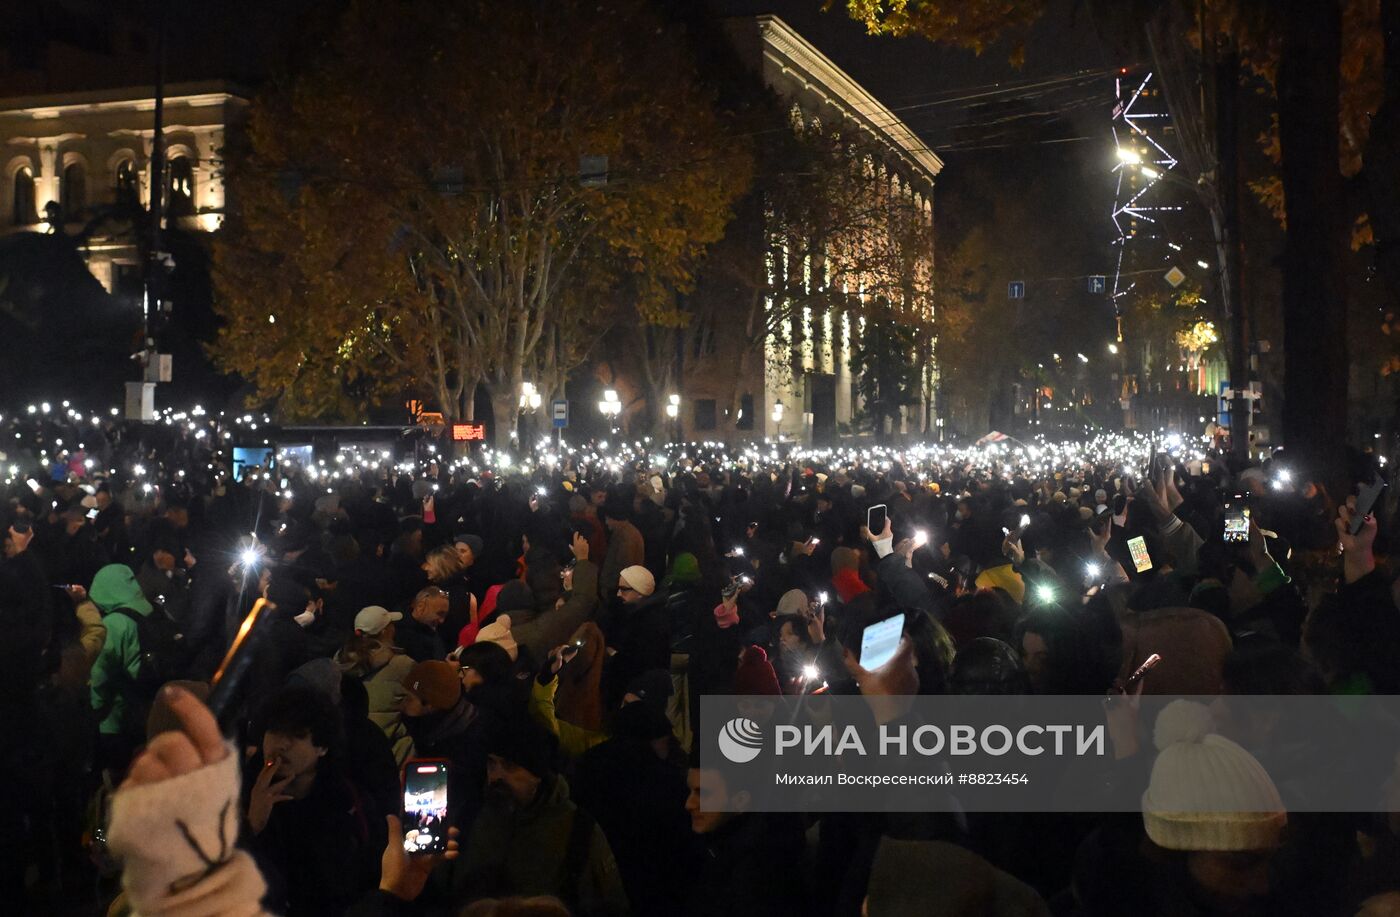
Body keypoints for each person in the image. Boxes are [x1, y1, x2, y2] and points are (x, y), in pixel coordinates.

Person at [446, 716, 628, 916]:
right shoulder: (469, 817)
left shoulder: (577, 829)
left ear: (537, 774)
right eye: (492, 763)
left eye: (510, 766)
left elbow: (610, 904)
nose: (496, 776)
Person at [244, 684, 384, 917]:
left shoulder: (349, 802)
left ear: (322, 747)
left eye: (297, 735)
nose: (281, 744)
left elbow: (368, 876)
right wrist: (252, 825)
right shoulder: (237, 794)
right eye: (274, 731)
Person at [683, 763, 807, 917]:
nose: (688, 804)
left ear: (740, 801)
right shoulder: (717, 844)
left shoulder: (758, 873)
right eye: (689, 791)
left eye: (702, 793)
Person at [335, 605, 415, 765]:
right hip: (391, 753)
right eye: (391, 625)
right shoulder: (402, 665)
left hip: (349, 751)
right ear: (386, 631)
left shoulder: (339, 660)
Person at [397, 586, 450, 662]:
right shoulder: (403, 636)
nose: (442, 621)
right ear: (420, 607)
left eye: (445, 615)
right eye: (440, 613)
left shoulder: (430, 630)